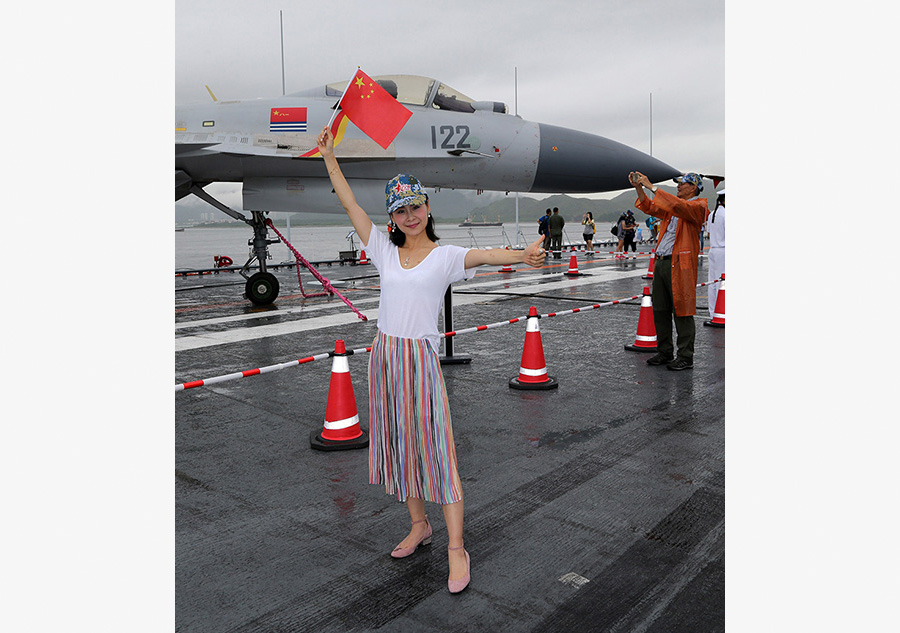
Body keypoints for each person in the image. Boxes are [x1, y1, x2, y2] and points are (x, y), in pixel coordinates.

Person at [316, 127, 544, 594]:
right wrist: (329, 158)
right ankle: (420, 524)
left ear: (427, 208)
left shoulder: (444, 256)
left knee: (438, 451)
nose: (411, 215)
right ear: (393, 218)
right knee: (401, 446)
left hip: (419, 360)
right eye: (401, 210)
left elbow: (485, 254)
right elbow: (351, 207)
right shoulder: (383, 249)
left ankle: (456, 547)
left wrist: (523, 255)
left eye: (416, 206)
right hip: (384, 356)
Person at [629, 170, 708, 371]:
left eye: (683, 184)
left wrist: (652, 186)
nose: (679, 186)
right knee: (660, 309)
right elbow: (650, 206)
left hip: (680, 264)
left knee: (682, 309)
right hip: (662, 262)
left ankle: (685, 356)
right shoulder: (673, 207)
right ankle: (665, 351)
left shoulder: (699, 206)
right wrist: (639, 187)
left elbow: (676, 205)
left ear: (694, 187)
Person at [706, 189, 725, 319]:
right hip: (724, 250)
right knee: (722, 282)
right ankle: (722, 311)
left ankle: (713, 312)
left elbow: (708, 233)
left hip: (713, 249)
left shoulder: (712, 214)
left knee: (712, 282)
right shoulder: (727, 214)